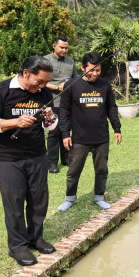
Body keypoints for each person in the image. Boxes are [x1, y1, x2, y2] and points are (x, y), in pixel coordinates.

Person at [0, 56, 58, 266]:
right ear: (26, 73)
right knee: (14, 202)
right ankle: (17, 247)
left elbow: (50, 127)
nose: (43, 86)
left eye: (45, 82)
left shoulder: (43, 93)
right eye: (39, 81)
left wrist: (50, 118)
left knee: (38, 199)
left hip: (37, 155)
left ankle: (36, 238)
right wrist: (15, 121)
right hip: (8, 158)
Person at [57, 52, 122, 212]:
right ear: (82, 68)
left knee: (101, 169)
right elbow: (64, 111)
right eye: (91, 70)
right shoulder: (71, 85)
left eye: (98, 70)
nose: (94, 74)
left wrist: (117, 128)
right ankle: (70, 198)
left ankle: (99, 197)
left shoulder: (104, 85)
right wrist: (65, 134)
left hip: (101, 137)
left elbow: (111, 108)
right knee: (73, 170)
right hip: (79, 138)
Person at [44, 35, 78, 174]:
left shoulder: (70, 62)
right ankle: (52, 163)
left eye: (66, 48)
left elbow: (76, 80)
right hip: (51, 102)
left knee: (66, 130)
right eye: (62, 47)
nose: (64, 50)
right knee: (54, 132)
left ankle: (66, 158)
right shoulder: (45, 61)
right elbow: (40, 81)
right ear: (54, 46)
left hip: (68, 102)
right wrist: (58, 87)